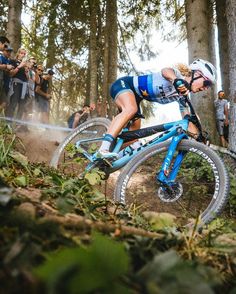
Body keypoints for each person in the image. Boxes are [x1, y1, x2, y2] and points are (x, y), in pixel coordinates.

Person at [96, 58, 217, 159]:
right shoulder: (177, 75)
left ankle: (111, 159)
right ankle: (103, 149)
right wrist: (175, 80)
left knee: (133, 141)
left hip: (137, 98)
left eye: (209, 86)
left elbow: (187, 118)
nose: (206, 88)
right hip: (125, 85)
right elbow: (165, 71)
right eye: (206, 84)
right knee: (130, 109)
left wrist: (199, 139)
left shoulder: (182, 96)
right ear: (196, 74)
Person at [5, 48, 29, 119]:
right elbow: (11, 74)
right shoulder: (13, 61)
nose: (23, 55)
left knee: (22, 106)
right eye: (22, 53)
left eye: (24, 54)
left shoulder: (25, 64)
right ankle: (8, 123)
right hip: (16, 84)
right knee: (13, 103)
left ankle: (17, 124)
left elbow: (27, 78)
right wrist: (19, 66)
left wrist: (26, 71)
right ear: (18, 53)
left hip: (24, 86)